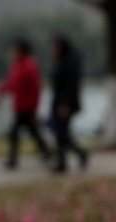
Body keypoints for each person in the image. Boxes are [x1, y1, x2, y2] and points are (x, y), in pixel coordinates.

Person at [0, 39, 49, 169]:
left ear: (22, 51)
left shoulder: (29, 66)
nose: (14, 52)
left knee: (14, 132)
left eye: (16, 50)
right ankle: (46, 153)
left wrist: (35, 106)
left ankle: (13, 160)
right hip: (19, 105)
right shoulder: (16, 65)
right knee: (33, 132)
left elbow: (36, 87)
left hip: (27, 107)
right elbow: (11, 83)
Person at [50, 36, 88, 173]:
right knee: (60, 133)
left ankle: (76, 155)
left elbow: (71, 86)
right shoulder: (60, 62)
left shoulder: (70, 63)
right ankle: (66, 160)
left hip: (65, 104)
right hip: (58, 102)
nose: (52, 50)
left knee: (62, 133)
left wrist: (66, 104)